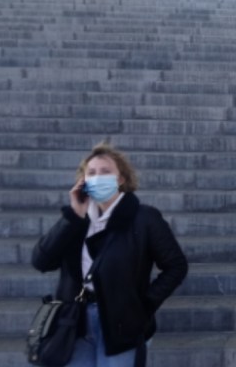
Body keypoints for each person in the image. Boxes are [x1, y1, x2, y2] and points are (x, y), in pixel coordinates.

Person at [31, 143, 187, 366]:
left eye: (105, 172)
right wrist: (73, 216)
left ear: (121, 179)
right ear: (82, 181)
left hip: (121, 323)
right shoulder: (77, 220)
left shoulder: (144, 218)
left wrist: (143, 304)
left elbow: (176, 265)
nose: (98, 177)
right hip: (75, 322)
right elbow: (41, 261)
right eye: (91, 173)